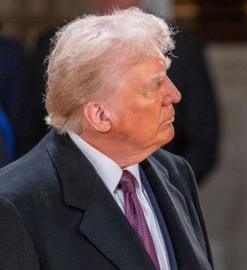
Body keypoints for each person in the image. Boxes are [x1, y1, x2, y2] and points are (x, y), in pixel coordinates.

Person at [0, 8, 213, 270]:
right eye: (154, 85)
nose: (174, 94)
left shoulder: (176, 173)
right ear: (99, 115)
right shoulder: (15, 204)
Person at [26, 0, 219, 184]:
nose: (172, 95)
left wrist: (163, 189)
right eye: (155, 84)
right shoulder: (54, 46)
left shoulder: (180, 46)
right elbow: (35, 130)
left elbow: (202, 140)